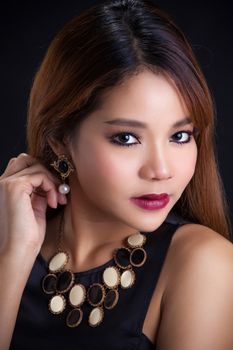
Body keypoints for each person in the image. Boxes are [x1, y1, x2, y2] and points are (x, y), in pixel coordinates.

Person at [1, 0, 233, 349]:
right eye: (126, 138)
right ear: (61, 140)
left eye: (180, 136)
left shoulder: (204, 264)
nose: (161, 170)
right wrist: (14, 256)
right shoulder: (11, 240)